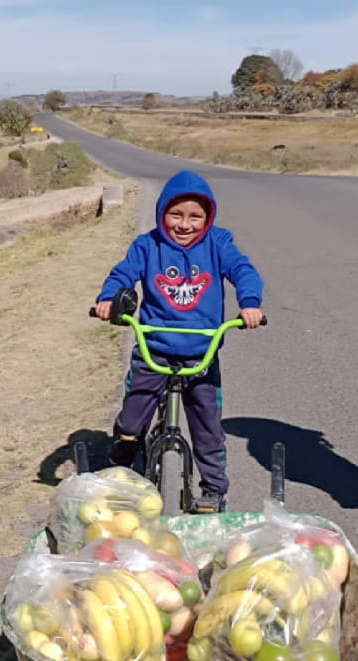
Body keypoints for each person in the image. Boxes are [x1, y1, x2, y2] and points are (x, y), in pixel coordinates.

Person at [94, 170, 264, 513]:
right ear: (161, 213)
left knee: (208, 430)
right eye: (176, 215)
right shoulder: (147, 246)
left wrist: (250, 303)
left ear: (208, 217)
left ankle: (214, 491)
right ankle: (121, 470)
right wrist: (109, 299)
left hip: (200, 354)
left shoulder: (218, 243)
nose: (185, 225)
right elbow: (122, 274)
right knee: (130, 424)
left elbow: (243, 270)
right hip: (153, 349)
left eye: (195, 217)